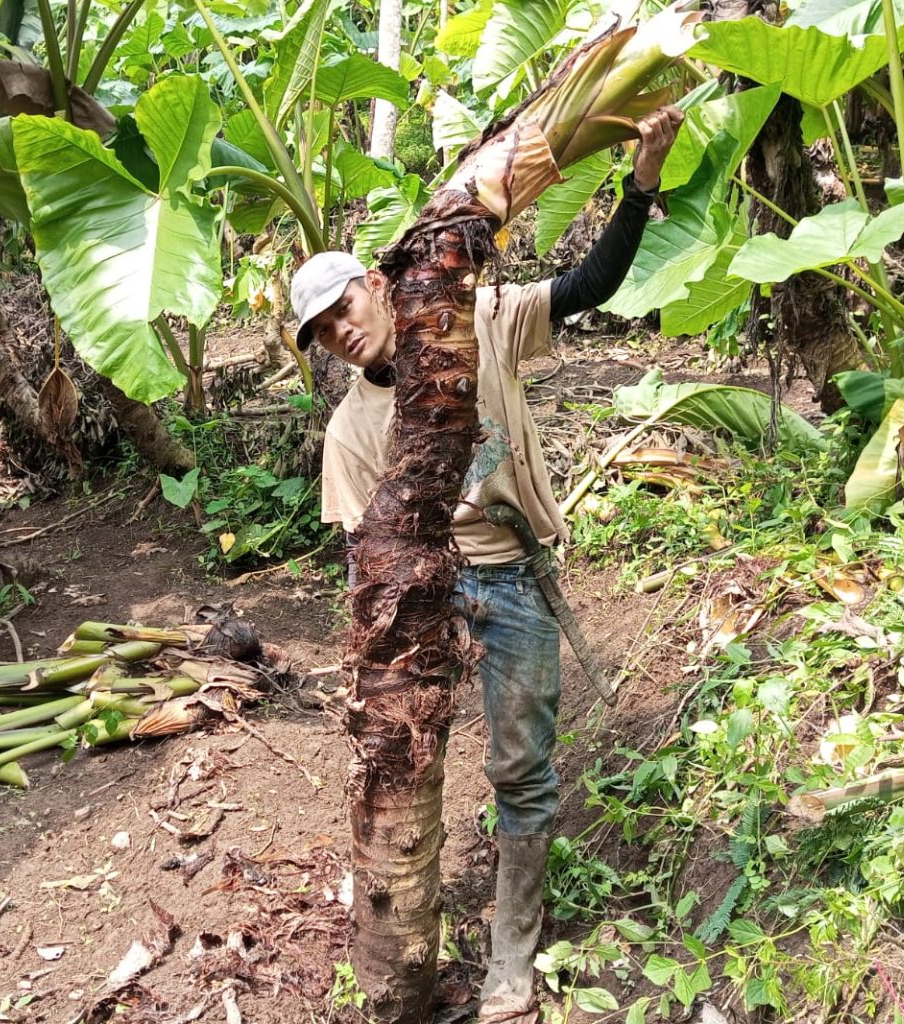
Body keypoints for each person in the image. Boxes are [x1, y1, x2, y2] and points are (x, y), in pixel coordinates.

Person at [291, 106, 686, 1022]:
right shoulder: (351, 430)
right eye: (320, 330)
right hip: (427, 593)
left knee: (521, 766)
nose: (340, 331)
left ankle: (513, 951)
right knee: (412, 762)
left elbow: (590, 283)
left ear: (380, 285)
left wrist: (642, 184)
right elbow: (367, 561)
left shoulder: (480, 319)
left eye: (342, 306)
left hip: (507, 575)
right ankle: (408, 931)